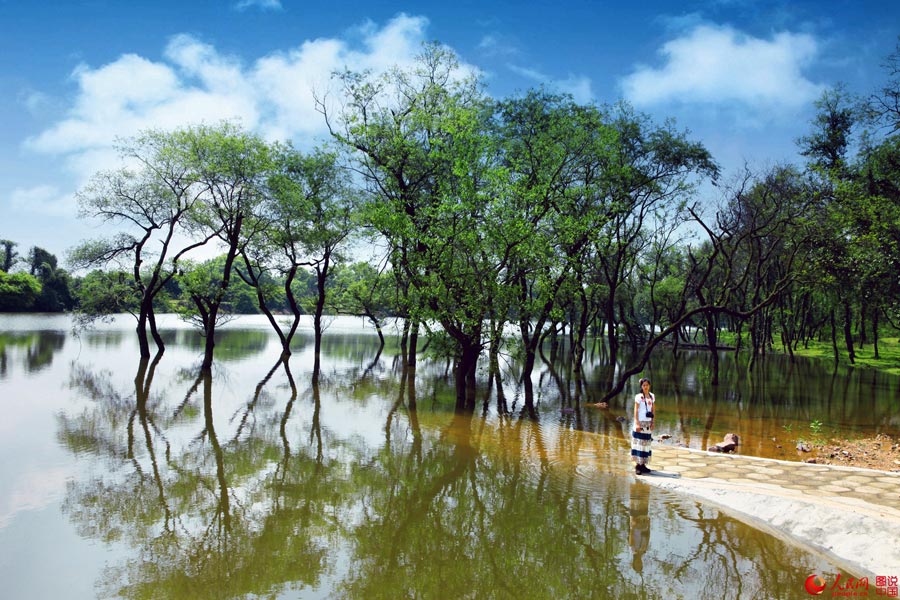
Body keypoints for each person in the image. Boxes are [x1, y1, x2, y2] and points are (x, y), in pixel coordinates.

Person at [631, 377, 655, 475]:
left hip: (648, 423)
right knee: (639, 444)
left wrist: (653, 422)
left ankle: (643, 465)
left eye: (647, 385)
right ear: (641, 386)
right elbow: (636, 410)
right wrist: (637, 423)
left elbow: (653, 410)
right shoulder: (638, 397)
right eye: (644, 385)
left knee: (646, 445)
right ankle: (638, 466)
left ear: (649, 386)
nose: (645, 387)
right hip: (640, 422)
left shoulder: (652, 396)